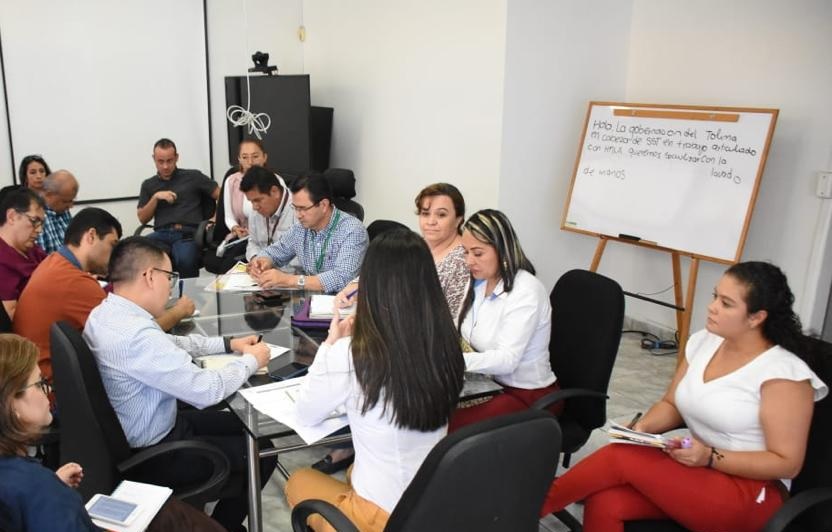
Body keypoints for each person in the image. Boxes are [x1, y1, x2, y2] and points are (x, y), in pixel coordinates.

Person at [540, 261, 828, 532]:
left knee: (619, 458)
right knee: (607, 502)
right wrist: (642, 430)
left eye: (726, 303)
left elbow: (786, 463)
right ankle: (526, 507)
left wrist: (711, 458)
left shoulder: (783, 374)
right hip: (700, 471)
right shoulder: (704, 341)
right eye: (715, 296)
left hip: (752, 494)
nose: (712, 307)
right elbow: (672, 404)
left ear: (756, 317)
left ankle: (525, 509)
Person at [83, 236, 276, 532]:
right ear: (150, 276)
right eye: (169, 277)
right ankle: (220, 527)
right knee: (262, 452)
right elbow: (207, 390)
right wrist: (252, 360)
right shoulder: (136, 336)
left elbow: (170, 344)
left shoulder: (107, 313)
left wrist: (229, 343)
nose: (171, 287)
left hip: (152, 427)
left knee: (245, 427)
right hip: (157, 453)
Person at [284, 228, 465, 532]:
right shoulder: (445, 345)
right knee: (354, 471)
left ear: (372, 285)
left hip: (382, 516)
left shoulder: (352, 354)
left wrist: (330, 345)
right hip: (432, 504)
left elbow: (305, 414)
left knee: (299, 481)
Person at [0, 334, 225, 532]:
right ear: (11, 405)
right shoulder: (37, 488)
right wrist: (49, 495)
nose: (48, 391)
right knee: (177, 518)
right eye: (39, 384)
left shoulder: (22, 479)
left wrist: (53, 486)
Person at [322, 183, 469, 473]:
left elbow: (444, 318)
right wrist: (355, 286)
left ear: (459, 219)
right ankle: (352, 438)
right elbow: (385, 275)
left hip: (425, 350)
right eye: (425, 213)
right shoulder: (420, 247)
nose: (430, 221)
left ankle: (350, 441)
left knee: (353, 364)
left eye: (441, 215)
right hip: (396, 333)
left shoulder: (460, 260)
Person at [14, 208, 195, 384]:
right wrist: (179, 311)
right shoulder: (74, 282)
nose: (116, 255)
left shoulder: (55, 263)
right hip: (55, 388)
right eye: (112, 244)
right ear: (91, 236)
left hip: (44, 377)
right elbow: (133, 337)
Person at [448, 209, 561, 431]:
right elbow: (455, 327)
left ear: (502, 250)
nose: (469, 261)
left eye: (478, 253)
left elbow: (507, 360)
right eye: (465, 252)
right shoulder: (478, 281)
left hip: (526, 394)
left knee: (446, 426)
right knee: (426, 410)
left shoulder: (526, 291)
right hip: (487, 384)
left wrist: (452, 362)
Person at [248, 174, 368, 293]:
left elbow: (342, 278)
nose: (298, 215)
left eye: (303, 208)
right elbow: (276, 251)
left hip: (340, 301)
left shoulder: (352, 230)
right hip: (310, 299)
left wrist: (289, 280)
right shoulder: (300, 228)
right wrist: (263, 261)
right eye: (295, 208)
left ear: (323, 205)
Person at [137, 138, 219, 278]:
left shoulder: (193, 177)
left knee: (185, 260)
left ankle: (188, 291)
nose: (165, 166)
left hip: (187, 234)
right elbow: (142, 218)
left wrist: (214, 218)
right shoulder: (148, 185)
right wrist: (155, 198)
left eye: (169, 161)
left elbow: (223, 195)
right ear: (154, 159)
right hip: (160, 235)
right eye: (160, 161)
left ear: (177, 157)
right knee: (135, 252)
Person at [0, 188, 47, 320]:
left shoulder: (31, 248)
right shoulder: (3, 260)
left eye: (41, 223)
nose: (39, 230)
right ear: (12, 217)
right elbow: (11, 315)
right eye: (34, 221)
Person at [239, 165, 295, 260]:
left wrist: (272, 264)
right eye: (251, 201)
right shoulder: (255, 210)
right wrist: (255, 258)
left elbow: (302, 258)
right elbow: (253, 242)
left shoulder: (298, 209)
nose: (255, 207)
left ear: (274, 192)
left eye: (258, 200)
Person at [220, 138, 270, 241]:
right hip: (243, 237)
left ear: (264, 157)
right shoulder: (232, 181)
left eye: (255, 156)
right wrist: (235, 228)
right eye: (245, 157)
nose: (250, 162)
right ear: (239, 159)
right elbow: (229, 217)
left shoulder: (276, 181)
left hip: (270, 238)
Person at [36, 170, 79, 253]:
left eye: (72, 200)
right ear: (48, 194)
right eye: (65, 201)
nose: (71, 206)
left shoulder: (62, 210)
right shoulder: (35, 216)